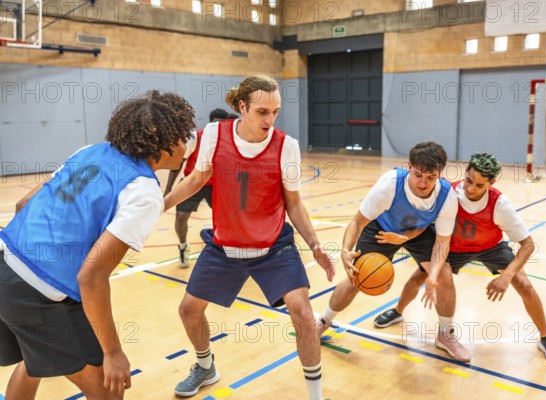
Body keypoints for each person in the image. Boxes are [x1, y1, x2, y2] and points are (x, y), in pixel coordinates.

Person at [0, 91, 196, 399]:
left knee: (34, 359)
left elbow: (24, 205)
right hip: (39, 294)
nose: (186, 146)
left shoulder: (90, 151)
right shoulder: (143, 189)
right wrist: (113, 351)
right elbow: (91, 276)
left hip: (5, 265)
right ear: (161, 140)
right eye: (183, 137)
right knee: (108, 392)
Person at [163, 75, 335, 399]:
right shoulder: (214, 135)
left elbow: (294, 204)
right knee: (188, 310)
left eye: (275, 111)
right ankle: (205, 366)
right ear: (242, 107)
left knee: (303, 312)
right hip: (225, 246)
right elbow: (195, 180)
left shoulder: (287, 147)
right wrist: (161, 203)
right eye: (262, 112)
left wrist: (314, 245)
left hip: (273, 247)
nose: (270, 120)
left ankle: (315, 395)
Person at [373, 152, 546, 364]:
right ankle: (398, 311)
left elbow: (528, 245)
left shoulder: (499, 204)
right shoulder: (448, 193)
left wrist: (506, 276)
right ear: (464, 173)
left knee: (525, 285)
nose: (471, 188)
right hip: (454, 248)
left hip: (490, 247)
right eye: (468, 180)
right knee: (420, 277)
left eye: (479, 185)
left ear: (491, 183)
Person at [317, 141, 472, 363]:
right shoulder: (389, 185)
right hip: (383, 229)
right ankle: (323, 322)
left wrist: (434, 275)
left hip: (419, 232)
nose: (423, 183)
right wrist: (345, 249)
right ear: (410, 166)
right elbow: (357, 222)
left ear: (439, 174)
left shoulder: (446, 196)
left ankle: (445, 335)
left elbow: (442, 242)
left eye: (430, 177)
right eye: (418, 175)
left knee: (444, 275)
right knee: (356, 277)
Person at [163, 108, 230, 268]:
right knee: (180, 217)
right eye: (216, 123)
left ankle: (226, 249)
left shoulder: (228, 139)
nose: (218, 127)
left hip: (216, 184)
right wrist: (169, 188)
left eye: (222, 124)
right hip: (193, 181)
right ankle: (183, 246)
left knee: (225, 219)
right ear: (211, 122)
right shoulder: (195, 137)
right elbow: (178, 163)